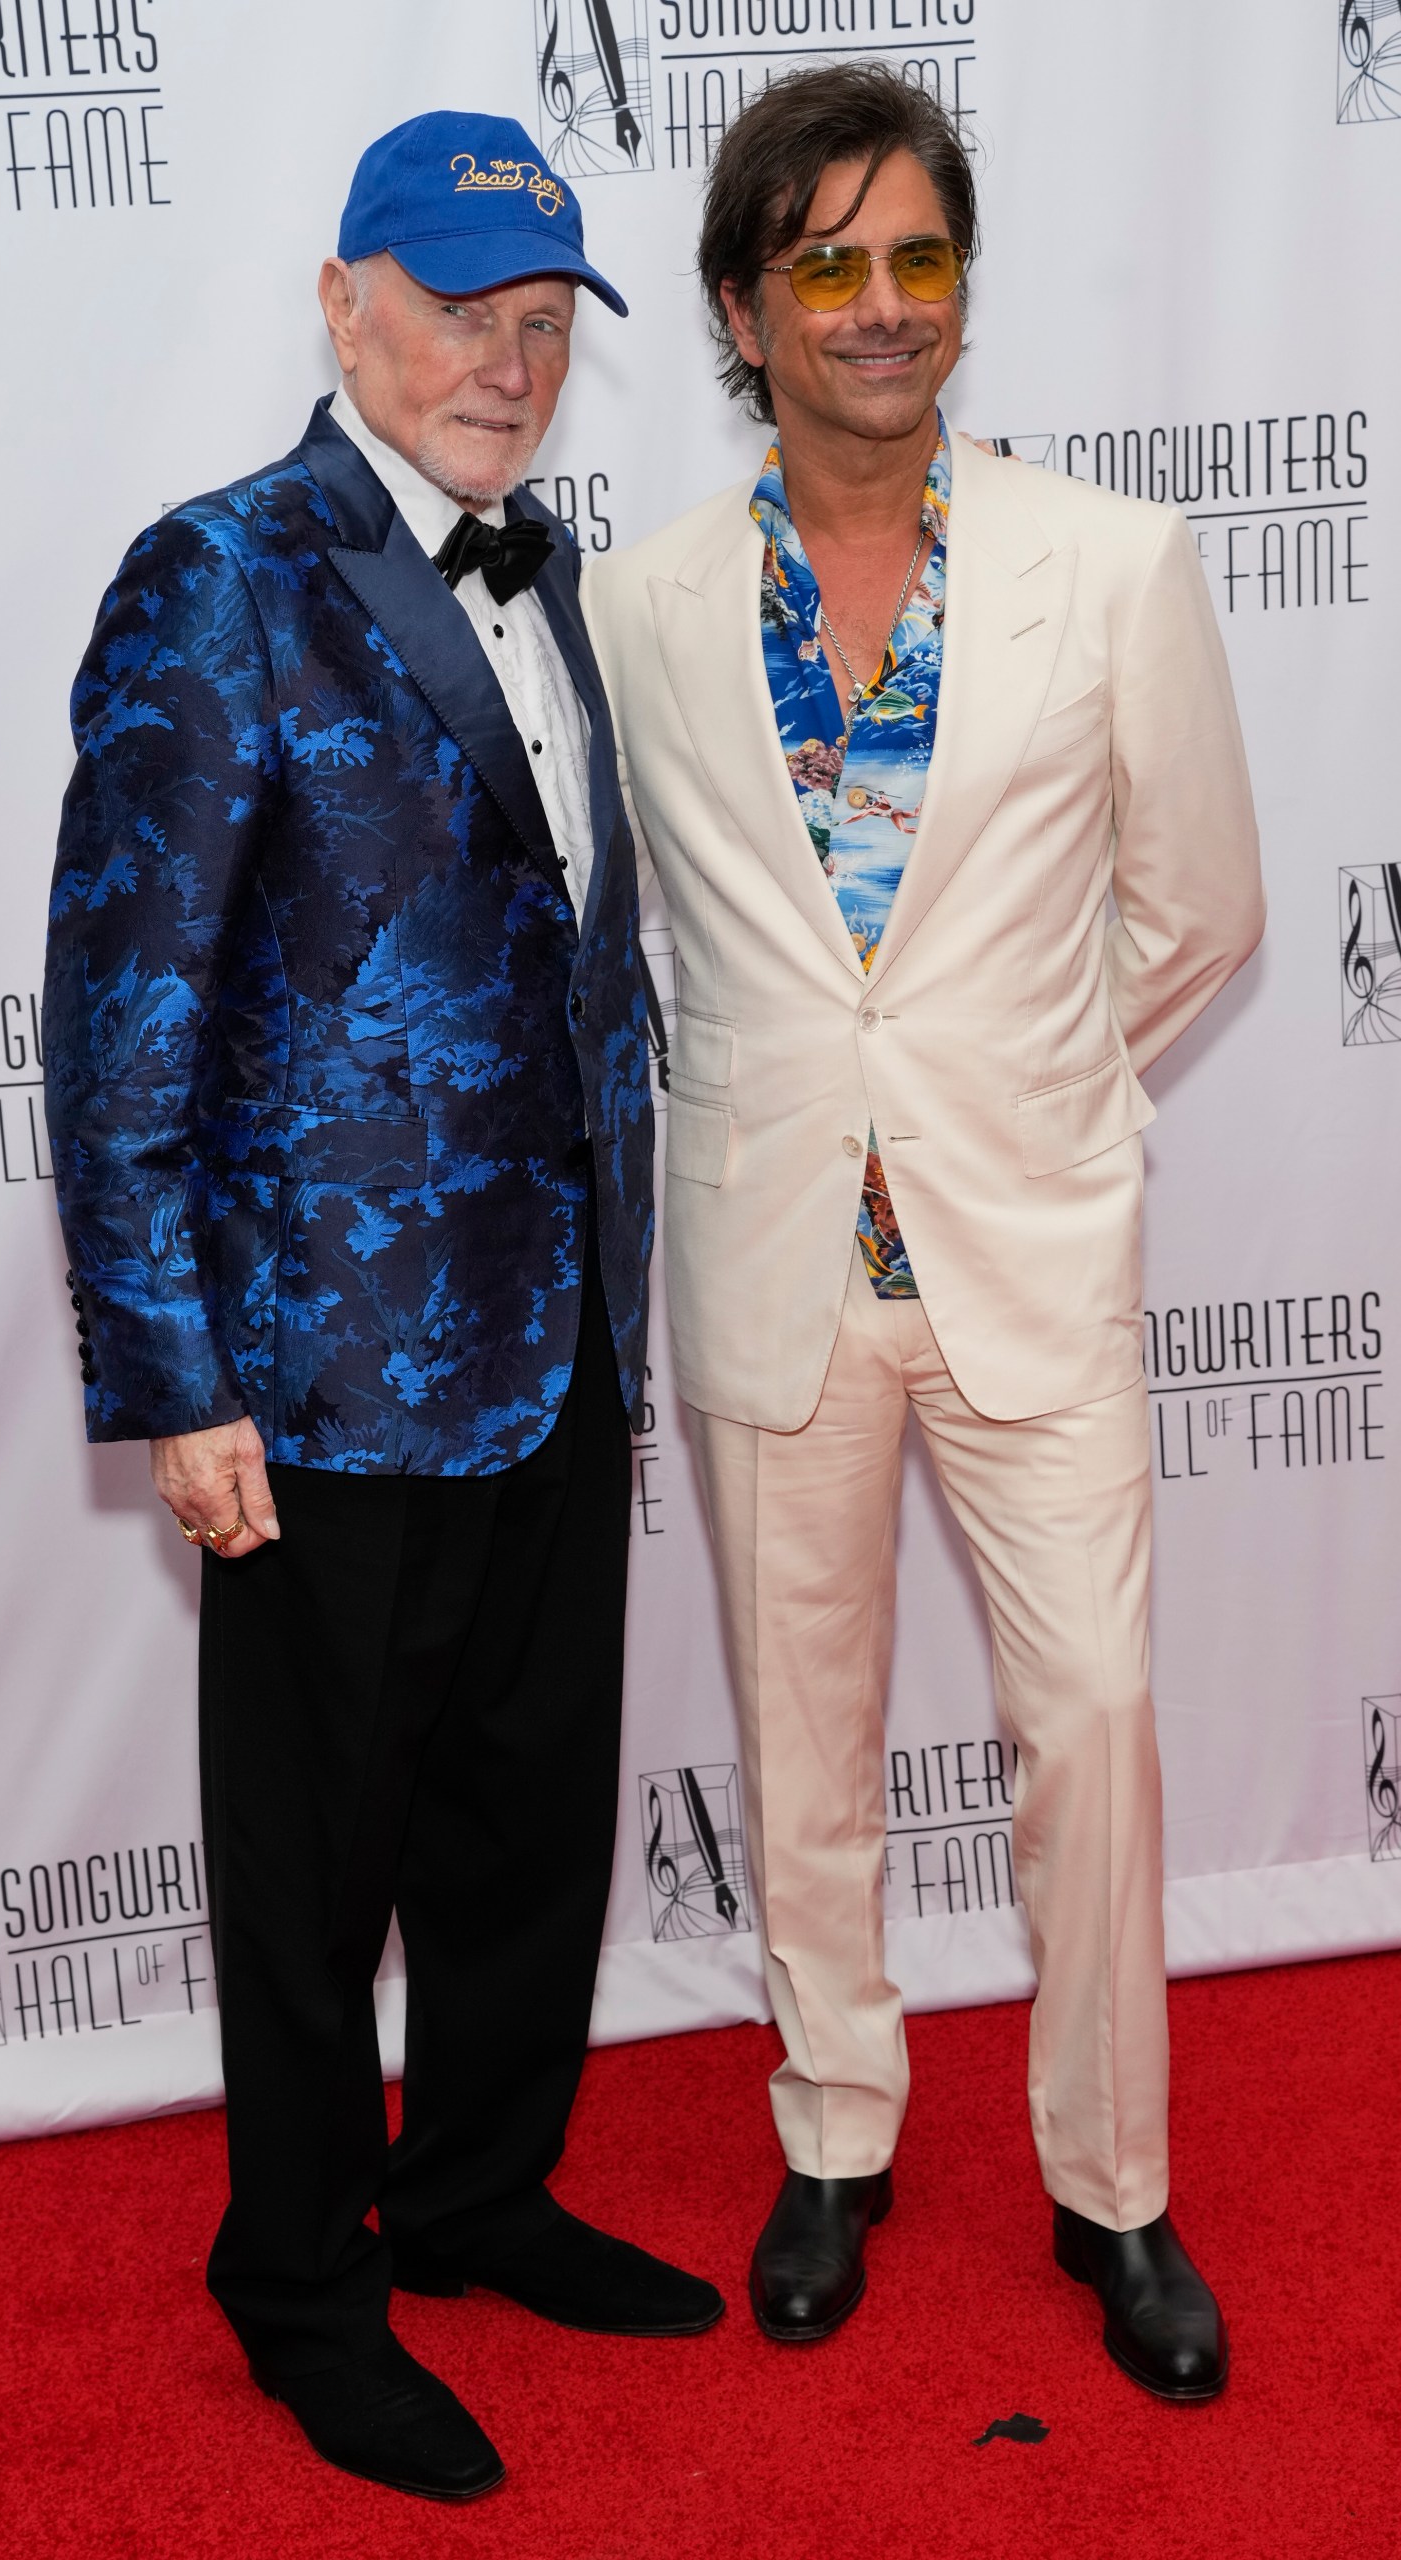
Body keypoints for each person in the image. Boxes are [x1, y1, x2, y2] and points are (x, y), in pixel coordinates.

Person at [43, 109, 721, 2506]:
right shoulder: (218, 574)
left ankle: (476, 2194)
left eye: (540, 323)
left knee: (529, 1817)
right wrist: (176, 1375)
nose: (504, 362)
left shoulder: (559, 577)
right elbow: (121, 1006)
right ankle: (305, 2278)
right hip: (323, 1369)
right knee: (317, 1859)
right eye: (455, 312)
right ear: (343, 307)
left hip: (561, 1326)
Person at [583, 63, 1263, 2400]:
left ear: (961, 286)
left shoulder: (1114, 564)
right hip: (773, 1243)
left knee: (1095, 1722)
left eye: (920, 257)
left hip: (1021, 1243)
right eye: (828, 266)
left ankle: (1115, 2185)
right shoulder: (643, 607)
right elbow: (637, 936)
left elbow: (1202, 909)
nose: (881, 306)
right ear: (742, 310)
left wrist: (1023, 1091)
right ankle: (835, 2128)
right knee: (806, 1735)